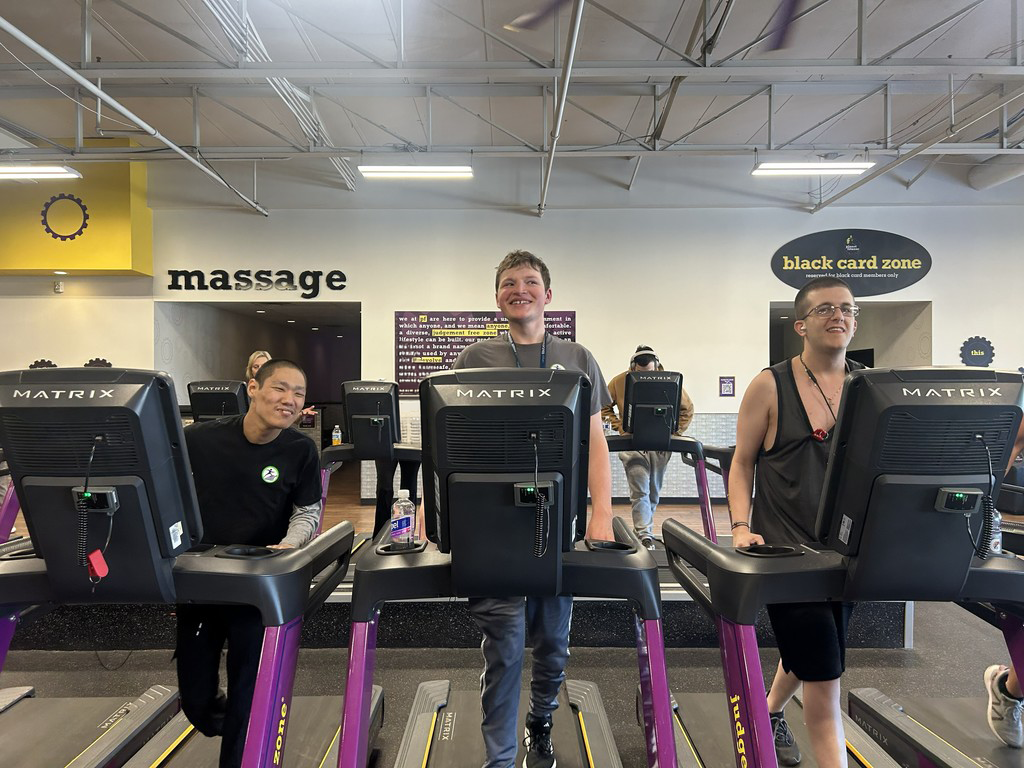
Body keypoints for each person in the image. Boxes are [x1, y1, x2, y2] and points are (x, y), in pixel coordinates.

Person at [452, 249, 613, 768]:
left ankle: (541, 718)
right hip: (494, 522)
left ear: (548, 293)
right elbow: (455, 443)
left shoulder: (578, 357)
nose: (518, 289)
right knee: (505, 645)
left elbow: (595, 441)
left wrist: (602, 512)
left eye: (529, 281)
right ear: (496, 297)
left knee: (553, 641)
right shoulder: (475, 360)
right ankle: (498, 758)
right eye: (507, 283)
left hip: (557, 521)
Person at [729, 276, 863, 768]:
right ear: (801, 324)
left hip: (846, 555)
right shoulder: (770, 384)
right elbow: (742, 463)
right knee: (826, 683)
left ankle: (769, 710)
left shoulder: (866, 387)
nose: (839, 316)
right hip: (787, 557)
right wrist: (741, 527)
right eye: (826, 309)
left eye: (847, 309)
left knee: (813, 650)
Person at [177, 358, 322, 768]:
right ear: (253, 387)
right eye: (280, 388)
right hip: (203, 580)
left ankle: (244, 739)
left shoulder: (300, 449)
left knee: (248, 691)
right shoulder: (198, 439)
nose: (290, 400)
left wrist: (289, 545)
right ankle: (231, 721)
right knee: (198, 701)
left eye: (299, 394)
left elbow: (307, 511)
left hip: (259, 584)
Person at [602, 345, 694, 549]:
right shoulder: (619, 381)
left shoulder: (669, 381)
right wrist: (620, 428)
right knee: (640, 489)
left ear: (657, 367)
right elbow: (603, 406)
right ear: (633, 368)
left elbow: (687, 409)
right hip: (633, 444)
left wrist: (673, 432)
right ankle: (645, 535)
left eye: (650, 373)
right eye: (641, 374)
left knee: (653, 491)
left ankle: (643, 530)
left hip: (660, 444)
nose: (645, 376)